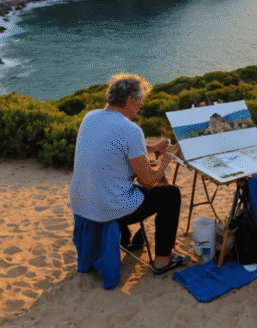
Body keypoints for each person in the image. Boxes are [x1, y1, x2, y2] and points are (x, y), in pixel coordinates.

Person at [69, 73, 188, 274]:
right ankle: (163, 260)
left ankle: (124, 238)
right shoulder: (130, 129)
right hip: (106, 209)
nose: (141, 105)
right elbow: (149, 179)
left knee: (119, 185)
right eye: (140, 100)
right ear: (131, 99)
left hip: (82, 204)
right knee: (171, 195)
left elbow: (117, 146)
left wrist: (152, 148)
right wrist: (167, 158)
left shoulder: (90, 117)